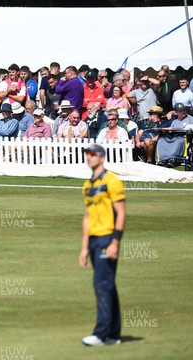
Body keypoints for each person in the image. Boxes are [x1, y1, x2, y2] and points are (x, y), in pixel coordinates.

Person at [80, 143, 125, 347]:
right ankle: (113, 334)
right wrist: (83, 247)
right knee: (107, 285)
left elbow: (121, 213)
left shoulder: (112, 181)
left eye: (92, 154)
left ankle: (101, 334)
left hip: (107, 238)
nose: (88, 157)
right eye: (87, 154)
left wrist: (115, 241)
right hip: (93, 241)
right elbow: (87, 217)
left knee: (102, 284)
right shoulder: (87, 185)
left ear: (102, 157)